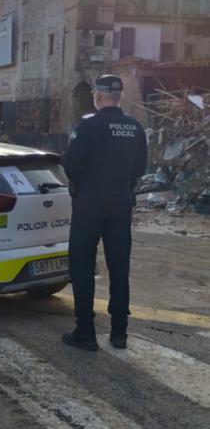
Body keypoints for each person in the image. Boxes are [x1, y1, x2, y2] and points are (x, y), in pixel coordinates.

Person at [62, 75, 147, 351]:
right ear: (119, 96)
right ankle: (119, 332)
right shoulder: (135, 128)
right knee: (119, 267)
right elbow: (139, 169)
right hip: (121, 202)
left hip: (90, 202)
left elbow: (71, 166)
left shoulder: (87, 125)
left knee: (83, 266)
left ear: (98, 96)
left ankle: (85, 331)